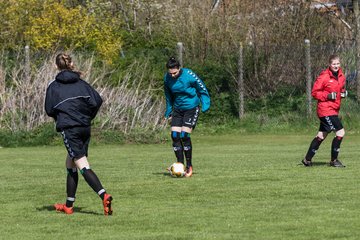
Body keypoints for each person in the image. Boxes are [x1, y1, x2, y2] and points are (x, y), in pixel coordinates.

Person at [45, 53, 113, 215]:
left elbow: (49, 110)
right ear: (72, 64)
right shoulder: (82, 83)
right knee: (71, 163)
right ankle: (68, 205)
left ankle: (104, 195)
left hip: (70, 129)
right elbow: (97, 101)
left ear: (56, 66)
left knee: (82, 165)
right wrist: (87, 116)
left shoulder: (54, 86)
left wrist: (62, 117)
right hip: (84, 127)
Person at [164, 57, 211, 177]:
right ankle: (180, 165)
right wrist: (168, 111)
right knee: (175, 136)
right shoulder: (167, 78)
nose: (173, 75)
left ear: (179, 68)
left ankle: (189, 165)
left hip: (191, 107)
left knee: (184, 136)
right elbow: (168, 95)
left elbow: (201, 88)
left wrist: (205, 103)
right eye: (170, 73)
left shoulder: (189, 74)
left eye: (175, 73)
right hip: (178, 109)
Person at [302, 54, 347, 167]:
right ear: (329, 64)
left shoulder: (342, 76)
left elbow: (339, 89)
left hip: (334, 109)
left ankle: (307, 159)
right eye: (333, 64)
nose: (336, 66)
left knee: (321, 135)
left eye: (337, 64)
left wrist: (343, 93)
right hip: (325, 110)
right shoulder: (324, 76)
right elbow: (314, 93)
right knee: (340, 132)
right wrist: (327, 96)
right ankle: (334, 160)